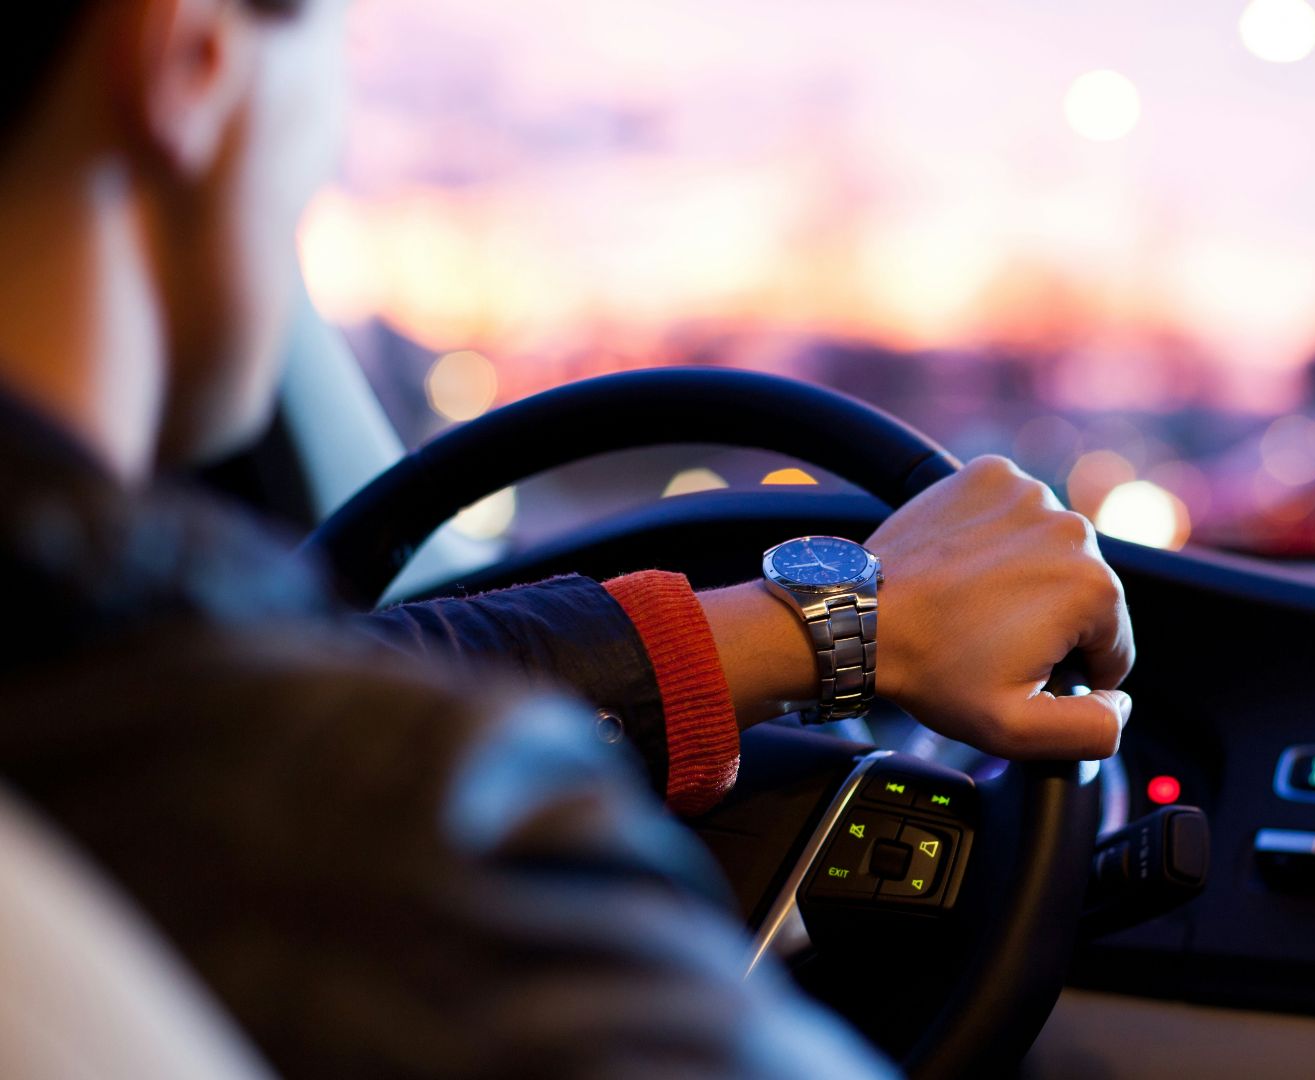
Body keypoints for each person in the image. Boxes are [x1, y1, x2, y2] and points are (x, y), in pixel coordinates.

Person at [0, 0, 1135, 1076]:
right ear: (193, 60)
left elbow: (308, 671)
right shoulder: (408, 855)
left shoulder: (109, 701)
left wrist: (825, 629)